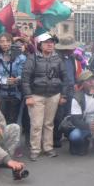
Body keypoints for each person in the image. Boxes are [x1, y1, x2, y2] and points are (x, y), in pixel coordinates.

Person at [21, 32, 68, 161]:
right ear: (40, 45)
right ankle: (35, 149)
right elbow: (25, 78)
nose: (50, 44)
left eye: (52, 42)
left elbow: (65, 78)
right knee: (36, 124)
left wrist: (63, 95)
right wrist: (28, 96)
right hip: (36, 95)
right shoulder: (32, 58)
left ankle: (48, 147)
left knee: (49, 123)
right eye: (47, 42)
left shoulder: (58, 59)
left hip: (53, 95)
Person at [0, 33, 26, 124]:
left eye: (8, 41)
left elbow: (24, 75)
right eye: (2, 41)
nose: (5, 44)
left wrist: (16, 79)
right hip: (0, 93)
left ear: (12, 42)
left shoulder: (21, 58)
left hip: (15, 93)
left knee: (12, 121)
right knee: (0, 121)